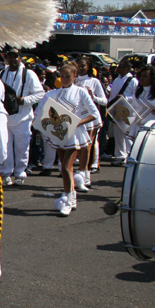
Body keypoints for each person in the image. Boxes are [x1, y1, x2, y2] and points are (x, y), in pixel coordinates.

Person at [35, 63, 100, 216]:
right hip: (59, 135)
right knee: (65, 169)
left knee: (65, 167)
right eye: (62, 76)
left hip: (75, 135)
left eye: (68, 76)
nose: (64, 79)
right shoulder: (51, 94)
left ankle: (69, 200)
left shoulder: (81, 92)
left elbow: (94, 114)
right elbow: (39, 113)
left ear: (75, 76)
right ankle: (72, 197)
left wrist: (77, 122)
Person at [0, 48, 44, 186]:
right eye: (9, 57)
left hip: (22, 118)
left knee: (22, 147)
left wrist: (25, 100)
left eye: (15, 57)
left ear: (20, 58)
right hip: (6, 118)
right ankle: (6, 173)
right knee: (5, 147)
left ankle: (19, 173)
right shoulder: (2, 73)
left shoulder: (28, 74)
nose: (12, 59)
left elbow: (40, 93)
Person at [75, 57, 107, 180]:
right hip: (76, 118)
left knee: (88, 144)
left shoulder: (94, 82)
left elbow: (104, 101)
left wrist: (92, 97)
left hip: (90, 118)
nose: (80, 68)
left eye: (82, 65)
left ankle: (88, 169)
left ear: (89, 67)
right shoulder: (73, 80)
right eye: (78, 65)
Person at [126, 65, 155, 140]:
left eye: (145, 76)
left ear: (152, 78)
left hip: (152, 129)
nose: (141, 78)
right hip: (137, 128)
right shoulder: (138, 93)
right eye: (141, 76)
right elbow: (131, 101)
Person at [107, 59, 138, 166]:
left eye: (120, 67)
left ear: (126, 68)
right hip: (116, 109)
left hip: (127, 110)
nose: (117, 69)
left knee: (127, 133)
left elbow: (136, 96)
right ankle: (120, 155)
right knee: (118, 133)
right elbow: (112, 94)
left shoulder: (132, 81)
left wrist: (126, 98)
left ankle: (130, 154)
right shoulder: (116, 80)